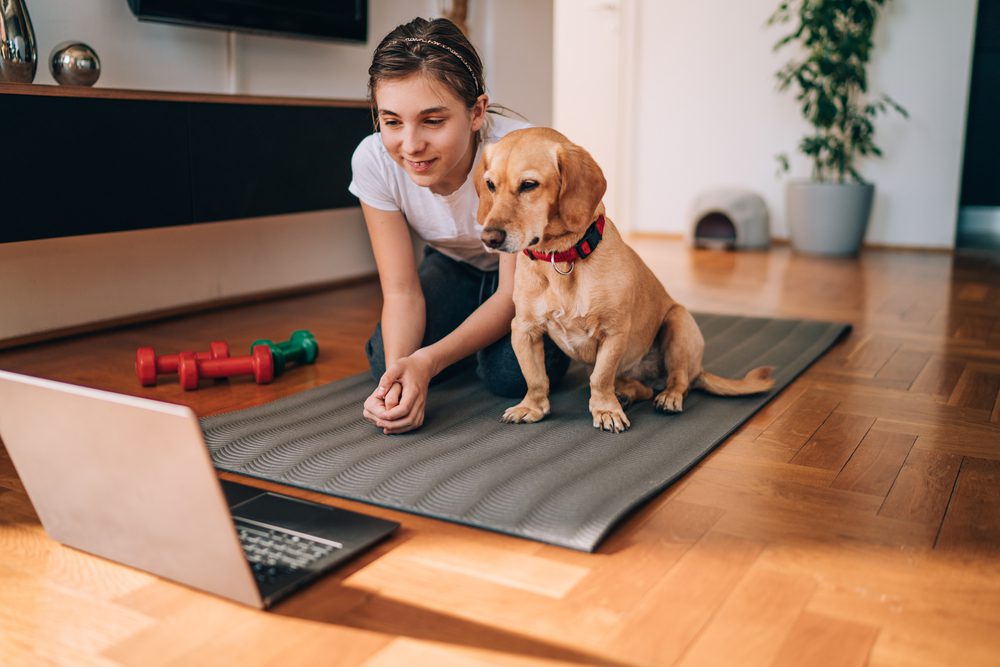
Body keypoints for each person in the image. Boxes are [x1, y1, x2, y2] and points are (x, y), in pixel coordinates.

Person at [349, 17, 569, 435]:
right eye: (392, 121)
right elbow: (400, 290)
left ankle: (471, 347)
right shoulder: (373, 160)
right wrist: (401, 377)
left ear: (476, 112)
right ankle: (465, 342)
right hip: (454, 265)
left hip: (531, 278)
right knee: (385, 361)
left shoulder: (515, 153)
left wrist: (428, 361)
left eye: (432, 121)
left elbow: (509, 295)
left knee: (509, 376)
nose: (410, 145)